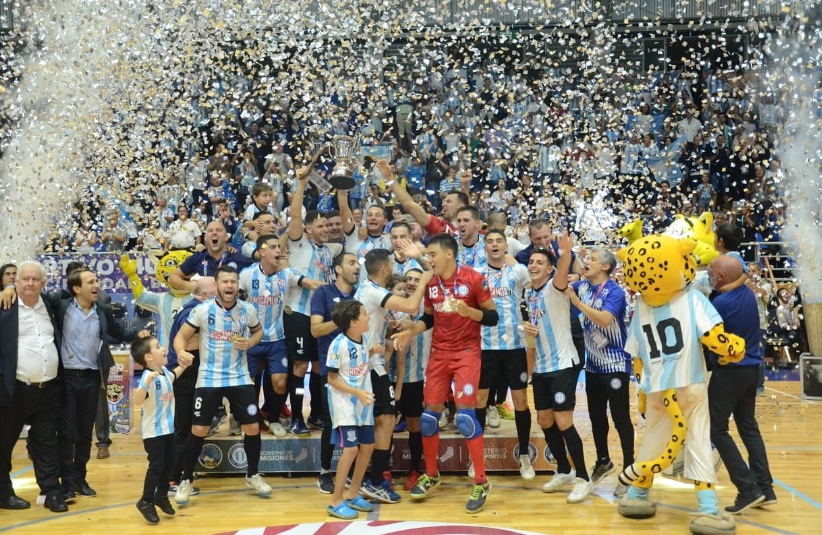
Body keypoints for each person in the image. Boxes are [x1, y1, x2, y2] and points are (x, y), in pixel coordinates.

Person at [392, 233, 498, 513]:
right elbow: (428, 318)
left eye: (432, 255)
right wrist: (410, 331)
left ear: (448, 254)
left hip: (466, 354)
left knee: (464, 418)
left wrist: (468, 311)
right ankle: (432, 474)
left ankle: (481, 481)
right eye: (426, 256)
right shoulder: (431, 283)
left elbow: (492, 317)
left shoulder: (474, 278)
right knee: (428, 420)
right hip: (438, 355)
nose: (429, 260)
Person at [172, 266, 269, 504]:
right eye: (225, 282)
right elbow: (180, 337)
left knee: (253, 428)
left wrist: (251, 342)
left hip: (240, 377)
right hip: (209, 379)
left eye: (233, 282)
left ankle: (253, 474)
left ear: (238, 285)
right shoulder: (202, 310)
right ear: (217, 285)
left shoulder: (248, 310)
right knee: (199, 430)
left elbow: (259, 332)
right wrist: (181, 352)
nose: (230, 286)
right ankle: (186, 479)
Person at [54, 267, 146, 499]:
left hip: (91, 378)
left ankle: (79, 479)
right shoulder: (60, 305)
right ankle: (65, 483)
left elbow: (118, 333)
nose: (97, 285)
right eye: (91, 282)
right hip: (66, 379)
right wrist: (9, 289)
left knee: (85, 433)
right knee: (67, 433)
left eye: (97, 280)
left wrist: (138, 334)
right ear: (76, 288)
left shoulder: (102, 310)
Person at [354, 248, 432, 504]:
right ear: (385, 269)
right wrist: (423, 281)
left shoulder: (367, 289)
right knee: (383, 420)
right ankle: (374, 479)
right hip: (369, 363)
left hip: (371, 360)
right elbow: (410, 305)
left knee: (385, 419)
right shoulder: (374, 291)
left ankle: (372, 477)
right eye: (391, 264)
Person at [523, 234, 594, 504]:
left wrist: (566, 253)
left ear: (549, 269)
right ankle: (563, 469)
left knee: (563, 420)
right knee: (544, 420)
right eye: (531, 261)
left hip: (563, 363)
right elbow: (534, 327)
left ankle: (584, 477)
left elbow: (563, 270)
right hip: (541, 366)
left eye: (540, 262)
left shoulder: (556, 286)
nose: (534, 265)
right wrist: (526, 328)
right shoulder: (528, 292)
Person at [707, 256, 777, 513]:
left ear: (722, 277)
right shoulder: (747, 294)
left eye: (711, 269)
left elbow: (707, 332)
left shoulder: (721, 302)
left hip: (729, 372)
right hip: (752, 369)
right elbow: (742, 275)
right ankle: (766, 489)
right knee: (748, 428)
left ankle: (747, 489)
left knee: (716, 430)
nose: (708, 272)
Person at [239, 235, 324, 437]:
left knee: (280, 382)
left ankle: (274, 419)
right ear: (262, 252)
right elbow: (236, 302)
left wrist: (340, 288)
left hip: (277, 340)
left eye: (280, 247)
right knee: (249, 383)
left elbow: (310, 283)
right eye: (274, 247)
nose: (279, 250)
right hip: (253, 339)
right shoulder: (246, 275)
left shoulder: (287, 274)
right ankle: (250, 420)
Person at [566, 247, 634, 497]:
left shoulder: (614, 291)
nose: (587, 262)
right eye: (587, 258)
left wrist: (577, 302)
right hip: (593, 365)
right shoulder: (582, 286)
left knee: (621, 418)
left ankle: (629, 470)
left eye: (593, 259)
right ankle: (604, 461)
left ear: (605, 266)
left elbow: (604, 319)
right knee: (596, 417)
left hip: (616, 364)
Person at [0, 261, 68, 513]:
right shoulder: (4, 305)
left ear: (43, 283)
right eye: (24, 279)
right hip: (13, 390)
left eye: (35, 279)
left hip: (47, 389)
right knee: (3, 444)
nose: (30, 283)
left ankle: (52, 492)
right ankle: (3, 494)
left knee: (47, 442)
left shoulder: (49, 306)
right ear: (15, 282)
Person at [285, 166, 344, 435]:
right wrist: (301, 184)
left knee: (321, 366)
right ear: (308, 230)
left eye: (325, 226)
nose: (324, 229)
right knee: (300, 366)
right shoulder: (299, 243)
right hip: (298, 313)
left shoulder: (331, 249)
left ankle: (318, 414)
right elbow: (295, 214)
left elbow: (346, 229)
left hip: (321, 316)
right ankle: (297, 415)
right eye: (319, 226)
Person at [473, 229, 534, 480]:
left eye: (499, 241)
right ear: (484, 247)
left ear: (506, 246)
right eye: (490, 241)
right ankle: (475, 458)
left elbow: (534, 292)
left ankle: (524, 456)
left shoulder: (518, 271)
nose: (495, 245)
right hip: (485, 346)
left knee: (520, 401)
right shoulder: (476, 273)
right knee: (480, 400)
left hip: (514, 347)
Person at [325, 299, 381, 519]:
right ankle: (335, 501)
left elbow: (361, 361)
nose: (368, 317)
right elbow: (332, 378)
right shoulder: (338, 345)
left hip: (364, 405)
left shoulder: (363, 339)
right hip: (344, 404)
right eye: (365, 314)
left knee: (367, 447)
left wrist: (374, 352)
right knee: (351, 449)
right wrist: (357, 393)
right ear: (354, 322)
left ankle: (353, 494)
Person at [310, 252, 360, 494]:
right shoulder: (323, 294)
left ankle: (351, 471)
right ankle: (324, 472)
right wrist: (341, 320)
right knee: (332, 423)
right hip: (332, 369)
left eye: (358, 263)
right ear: (338, 269)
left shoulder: (361, 293)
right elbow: (316, 330)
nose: (357, 267)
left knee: (358, 420)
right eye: (351, 263)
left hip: (360, 369)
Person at [165, 276, 217, 496]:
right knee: (183, 428)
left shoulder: (201, 309)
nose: (219, 288)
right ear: (203, 295)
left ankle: (181, 475)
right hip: (183, 376)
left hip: (191, 375)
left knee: (190, 427)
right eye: (215, 286)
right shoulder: (193, 312)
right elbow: (185, 342)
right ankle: (172, 480)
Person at [131, 336, 190, 524]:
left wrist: (185, 365)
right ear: (149, 357)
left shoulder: (164, 372)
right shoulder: (147, 378)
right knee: (156, 466)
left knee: (170, 463)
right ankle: (146, 500)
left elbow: (173, 376)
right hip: (153, 433)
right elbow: (138, 400)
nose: (163, 348)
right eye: (158, 346)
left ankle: (161, 495)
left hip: (168, 430)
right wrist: (146, 383)